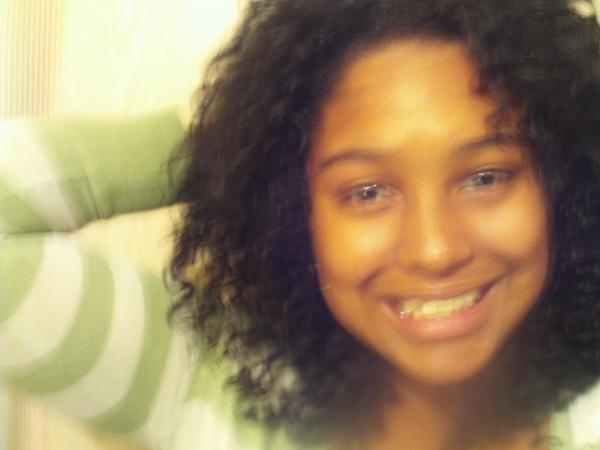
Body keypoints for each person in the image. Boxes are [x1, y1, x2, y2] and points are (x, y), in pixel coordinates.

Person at [2, 0, 600, 449]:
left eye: (486, 177)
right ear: (293, 209)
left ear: (563, 177)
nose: (436, 250)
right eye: (367, 191)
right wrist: (240, 146)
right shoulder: (198, 377)